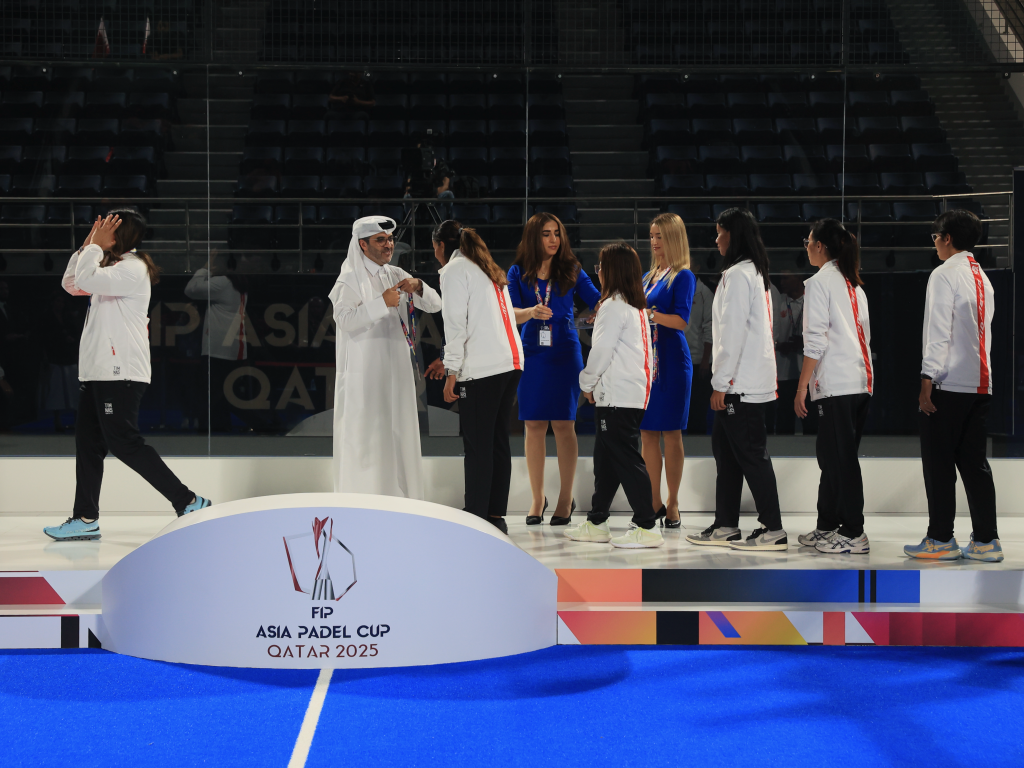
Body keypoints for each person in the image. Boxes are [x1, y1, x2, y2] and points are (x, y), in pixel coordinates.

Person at [44, 210, 211, 541]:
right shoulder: (109, 266)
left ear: (120, 234)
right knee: (88, 445)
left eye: (106, 227)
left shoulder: (133, 268)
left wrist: (94, 247)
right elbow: (71, 283)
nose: (99, 231)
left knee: (124, 442)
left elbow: (86, 279)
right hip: (98, 373)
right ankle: (85, 518)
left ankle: (189, 501)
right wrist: (88, 245)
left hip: (119, 373)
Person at [686, 208, 787, 551]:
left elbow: (731, 333)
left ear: (733, 235)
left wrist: (720, 383)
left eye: (720, 233)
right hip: (743, 384)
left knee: (751, 457)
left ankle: (773, 529)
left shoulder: (739, 275)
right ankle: (726, 524)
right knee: (728, 456)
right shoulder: (752, 272)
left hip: (739, 387)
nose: (716, 239)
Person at [905, 209, 1001, 562]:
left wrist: (927, 377)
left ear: (947, 238)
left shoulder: (944, 274)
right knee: (975, 465)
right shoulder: (983, 278)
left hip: (949, 383)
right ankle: (987, 541)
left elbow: (938, 331)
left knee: (939, 465)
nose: (935, 244)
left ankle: (941, 538)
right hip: (980, 383)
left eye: (936, 237)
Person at [328, 215, 442, 498]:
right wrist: (382, 303)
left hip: (398, 371)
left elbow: (436, 305)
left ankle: (402, 498)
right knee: (368, 437)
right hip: (364, 374)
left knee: (400, 432)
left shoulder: (395, 273)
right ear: (362, 245)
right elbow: (343, 319)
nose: (388, 245)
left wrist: (419, 285)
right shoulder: (349, 279)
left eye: (390, 239)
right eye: (380, 240)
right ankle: (366, 500)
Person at [563, 243, 662, 548]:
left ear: (612, 271)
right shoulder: (634, 307)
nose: (599, 273)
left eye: (601, 267)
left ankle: (647, 526)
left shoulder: (613, 306)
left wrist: (587, 383)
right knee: (607, 462)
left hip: (618, 397)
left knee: (625, 461)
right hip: (627, 395)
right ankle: (597, 522)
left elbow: (601, 352)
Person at [507, 213, 600, 525]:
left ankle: (564, 499)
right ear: (534, 237)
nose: (553, 240)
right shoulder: (518, 271)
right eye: (546, 234)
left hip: (564, 352)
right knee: (533, 424)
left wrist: (601, 313)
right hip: (532, 352)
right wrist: (530, 311)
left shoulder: (571, 268)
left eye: (557, 233)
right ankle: (537, 498)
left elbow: (598, 301)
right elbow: (509, 314)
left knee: (563, 424)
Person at [794, 219, 873, 555]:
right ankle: (827, 525)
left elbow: (815, 340)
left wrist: (801, 387)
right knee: (833, 458)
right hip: (859, 383)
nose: (806, 247)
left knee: (840, 460)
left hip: (837, 386)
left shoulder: (819, 283)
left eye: (808, 241)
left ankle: (854, 532)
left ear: (820, 246)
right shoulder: (854, 285)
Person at [440, 226, 524, 534]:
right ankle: (494, 515)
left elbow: (455, 325)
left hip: (482, 369)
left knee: (478, 446)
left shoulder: (455, 270)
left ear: (440, 245)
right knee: (498, 441)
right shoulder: (489, 268)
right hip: (510, 363)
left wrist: (451, 371)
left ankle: (475, 518)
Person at [639, 213, 696, 528]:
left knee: (671, 433)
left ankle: (673, 502)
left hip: (672, 362)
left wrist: (651, 315)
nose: (654, 242)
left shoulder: (683, 276)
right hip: (648, 361)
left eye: (659, 236)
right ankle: (653, 501)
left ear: (673, 238)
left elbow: (682, 321)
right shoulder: (648, 276)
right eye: (651, 235)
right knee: (647, 432)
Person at [184, 252, 249, 433]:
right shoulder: (240, 283)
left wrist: (204, 269)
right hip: (233, 348)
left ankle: (211, 430)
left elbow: (191, 289)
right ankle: (224, 429)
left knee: (211, 395)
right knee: (226, 396)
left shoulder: (223, 283)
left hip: (218, 350)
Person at [767, 273, 805, 435]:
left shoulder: (812, 300)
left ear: (799, 278)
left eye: (786, 278)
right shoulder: (778, 301)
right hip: (783, 370)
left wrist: (803, 343)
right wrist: (778, 344)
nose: (782, 282)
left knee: (810, 418)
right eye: (781, 278)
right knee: (784, 415)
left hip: (806, 370)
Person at [684, 261, 714, 435]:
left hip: (698, 360)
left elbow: (709, 327)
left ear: (697, 267)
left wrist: (705, 361)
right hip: (678, 359)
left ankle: (698, 441)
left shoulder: (704, 293)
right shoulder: (676, 288)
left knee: (697, 407)